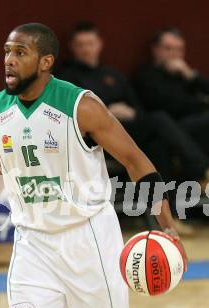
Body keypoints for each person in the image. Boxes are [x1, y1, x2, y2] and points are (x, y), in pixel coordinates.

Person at [0, 23, 181, 308]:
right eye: (6, 52)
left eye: (20, 53)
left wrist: (167, 227)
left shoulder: (81, 106)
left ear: (46, 61)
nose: (9, 61)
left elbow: (137, 162)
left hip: (89, 239)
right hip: (32, 243)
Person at [59, 22, 209, 187]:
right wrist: (106, 112)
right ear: (72, 47)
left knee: (157, 144)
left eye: (90, 44)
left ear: (99, 44)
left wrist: (132, 112)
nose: (86, 49)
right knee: (159, 119)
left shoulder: (113, 75)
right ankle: (201, 169)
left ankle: (165, 206)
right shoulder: (66, 77)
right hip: (98, 135)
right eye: (81, 45)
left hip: (129, 129)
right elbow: (70, 113)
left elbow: (137, 107)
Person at [134, 27, 209, 156]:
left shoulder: (185, 75)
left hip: (194, 122)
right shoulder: (147, 75)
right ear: (156, 49)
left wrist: (191, 75)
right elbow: (170, 106)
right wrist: (202, 102)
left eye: (179, 49)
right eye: (168, 49)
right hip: (170, 128)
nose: (174, 54)